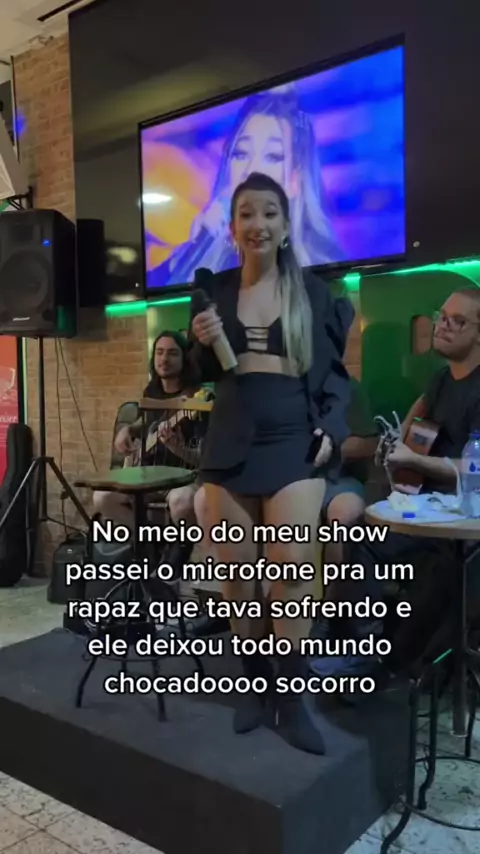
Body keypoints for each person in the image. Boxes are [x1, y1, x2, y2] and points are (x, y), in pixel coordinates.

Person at [189, 171, 352, 755]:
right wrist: (198, 341)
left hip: (292, 440)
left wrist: (332, 428)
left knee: (293, 570)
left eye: (269, 213)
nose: (257, 223)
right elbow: (200, 376)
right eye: (246, 214)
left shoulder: (314, 292)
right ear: (232, 227)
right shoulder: (212, 291)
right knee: (237, 574)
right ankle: (255, 683)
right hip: (231, 439)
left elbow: (336, 377)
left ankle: (290, 692)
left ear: (285, 225)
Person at [311, 287, 480, 680]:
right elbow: (418, 413)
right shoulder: (441, 380)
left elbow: (475, 467)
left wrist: (414, 460)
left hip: (466, 518)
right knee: (361, 538)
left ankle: (388, 664)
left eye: (458, 321)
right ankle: (350, 642)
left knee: (447, 567)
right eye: (441, 316)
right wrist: (397, 441)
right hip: (429, 507)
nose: (443, 326)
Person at [147, 87, 342, 288]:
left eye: (273, 156)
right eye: (240, 154)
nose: (250, 170)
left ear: (295, 180)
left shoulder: (320, 268)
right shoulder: (213, 254)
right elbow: (154, 286)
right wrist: (192, 248)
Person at [93, 330, 204, 529]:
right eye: (159, 352)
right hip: (149, 477)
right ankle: (150, 538)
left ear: (185, 358)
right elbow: (145, 423)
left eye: (172, 353)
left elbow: (203, 460)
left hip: (183, 479)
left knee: (182, 501)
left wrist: (178, 449)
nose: (164, 359)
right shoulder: (151, 392)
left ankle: (180, 544)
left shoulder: (198, 398)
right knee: (102, 497)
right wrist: (127, 430)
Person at [310, 377, 379, 643]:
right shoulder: (276, 386)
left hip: (337, 479)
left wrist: (328, 448)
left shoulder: (346, 387)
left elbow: (369, 443)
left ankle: (328, 616)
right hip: (284, 480)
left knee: (348, 513)